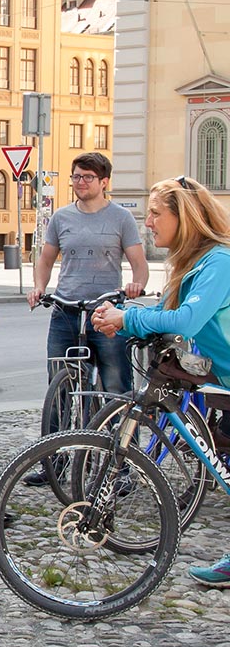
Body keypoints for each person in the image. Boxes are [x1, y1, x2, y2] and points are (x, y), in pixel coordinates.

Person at [90, 176, 230, 587]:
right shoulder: (195, 263)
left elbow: (186, 320)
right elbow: (167, 310)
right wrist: (123, 315)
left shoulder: (219, 261)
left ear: (181, 217)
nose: (147, 222)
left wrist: (128, 317)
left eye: (155, 213)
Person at [23, 152, 149, 486]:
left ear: (104, 182)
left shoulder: (121, 218)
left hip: (105, 313)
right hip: (66, 310)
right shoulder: (61, 218)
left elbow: (139, 262)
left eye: (87, 177)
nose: (80, 183)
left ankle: (122, 469)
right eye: (76, 177)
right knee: (59, 387)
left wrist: (137, 283)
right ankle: (55, 463)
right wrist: (39, 287)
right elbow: (46, 259)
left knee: (116, 390)